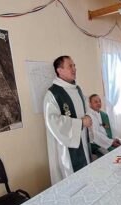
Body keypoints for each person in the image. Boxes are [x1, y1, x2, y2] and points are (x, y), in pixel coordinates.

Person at [44, 55, 92, 185]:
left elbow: (86, 108)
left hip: (82, 142)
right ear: (59, 70)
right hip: (68, 147)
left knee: (86, 178)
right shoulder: (53, 94)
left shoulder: (77, 89)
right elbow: (53, 121)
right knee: (72, 184)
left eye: (74, 65)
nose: (74, 69)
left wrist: (88, 116)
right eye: (70, 66)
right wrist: (81, 123)